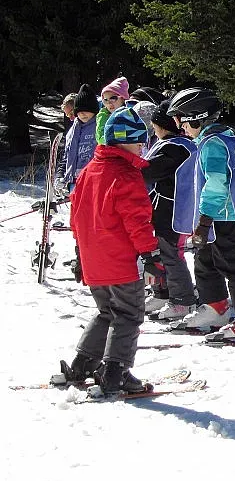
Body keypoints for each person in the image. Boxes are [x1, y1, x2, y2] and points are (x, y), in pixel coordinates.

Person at [53, 106, 166, 393]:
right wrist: (151, 255)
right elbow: (138, 221)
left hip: (94, 258)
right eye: (139, 141)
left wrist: (80, 253)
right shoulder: (127, 175)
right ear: (124, 140)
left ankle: (82, 364)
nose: (142, 147)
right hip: (121, 260)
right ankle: (116, 372)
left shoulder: (91, 170)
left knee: (107, 312)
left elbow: (76, 215)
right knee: (128, 315)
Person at [165, 87, 235, 339]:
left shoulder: (213, 145)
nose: (180, 127)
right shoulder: (217, 139)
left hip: (225, 217)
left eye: (182, 121)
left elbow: (217, 182)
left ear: (196, 117)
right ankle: (215, 306)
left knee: (230, 264)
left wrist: (205, 219)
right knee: (205, 260)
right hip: (218, 215)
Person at [141, 99, 198, 319]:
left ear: (163, 125)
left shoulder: (175, 148)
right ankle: (162, 293)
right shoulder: (175, 144)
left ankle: (182, 299)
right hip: (165, 208)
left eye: (155, 123)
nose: (152, 128)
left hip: (173, 211)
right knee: (159, 253)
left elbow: (150, 171)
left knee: (171, 255)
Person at [57, 84, 99, 192]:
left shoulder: (99, 126)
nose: (71, 118)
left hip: (93, 180)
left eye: (71, 113)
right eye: (67, 115)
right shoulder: (73, 131)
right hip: (74, 182)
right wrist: (60, 174)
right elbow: (67, 155)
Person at [95, 76, 129, 145]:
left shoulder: (129, 115)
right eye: (105, 100)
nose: (109, 103)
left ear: (123, 98)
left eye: (113, 98)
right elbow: (100, 138)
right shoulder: (103, 116)